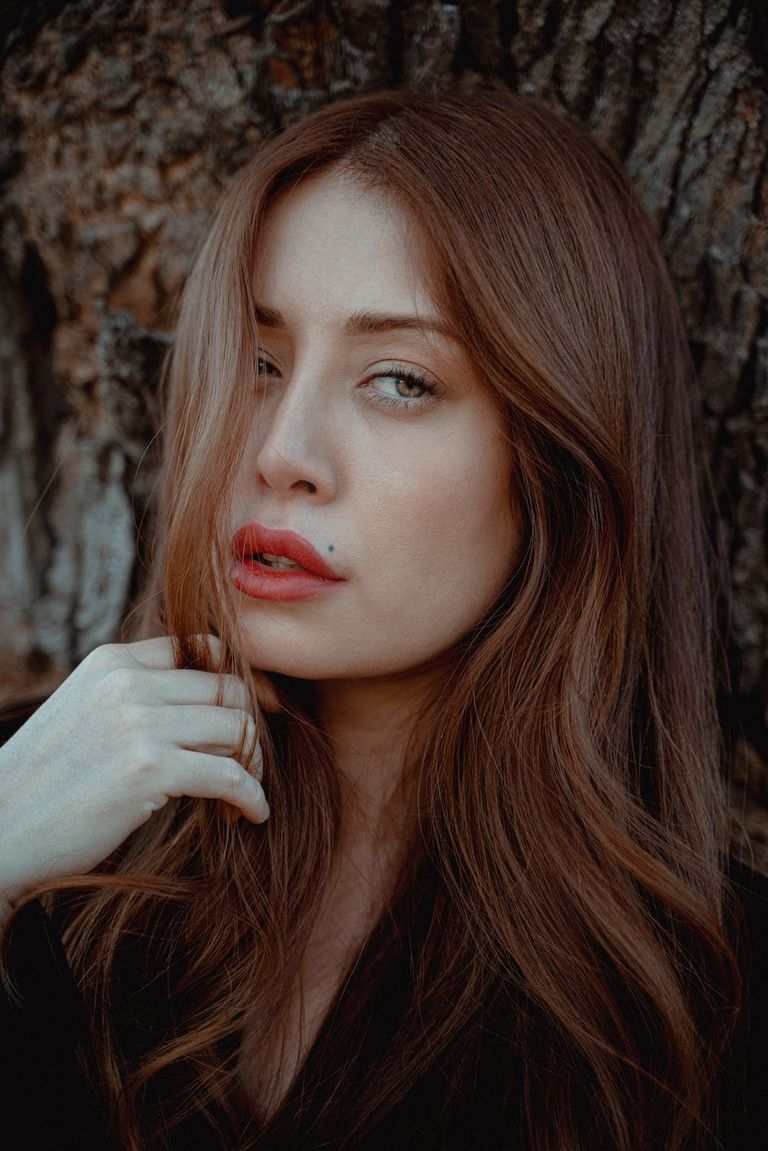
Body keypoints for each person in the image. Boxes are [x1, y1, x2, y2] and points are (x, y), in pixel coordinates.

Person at [0, 78, 765, 1151]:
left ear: (555, 462)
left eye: (399, 380)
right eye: (257, 363)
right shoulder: (41, 807)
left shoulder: (706, 1008)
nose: (279, 451)